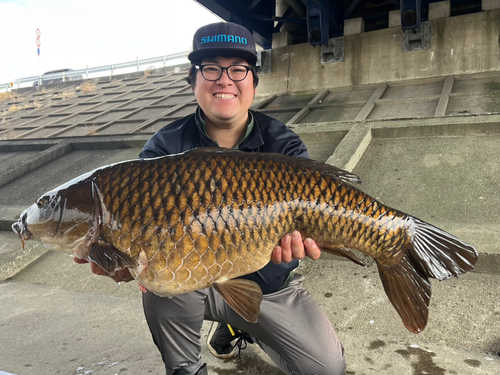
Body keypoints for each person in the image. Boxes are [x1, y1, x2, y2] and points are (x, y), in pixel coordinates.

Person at [75, 22, 346, 375]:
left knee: (327, 369)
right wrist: (125, 262)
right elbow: (136, 237)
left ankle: (239, 325)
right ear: (193, 82)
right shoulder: (162, 149)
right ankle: (186, 369)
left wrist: (303, 244)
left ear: (253, 82)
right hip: (191, 285)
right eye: (211, 68)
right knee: (160, 285)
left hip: (270, 288)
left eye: (238, 69)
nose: (224, 80)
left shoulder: (285, 145)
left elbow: (309, 218)